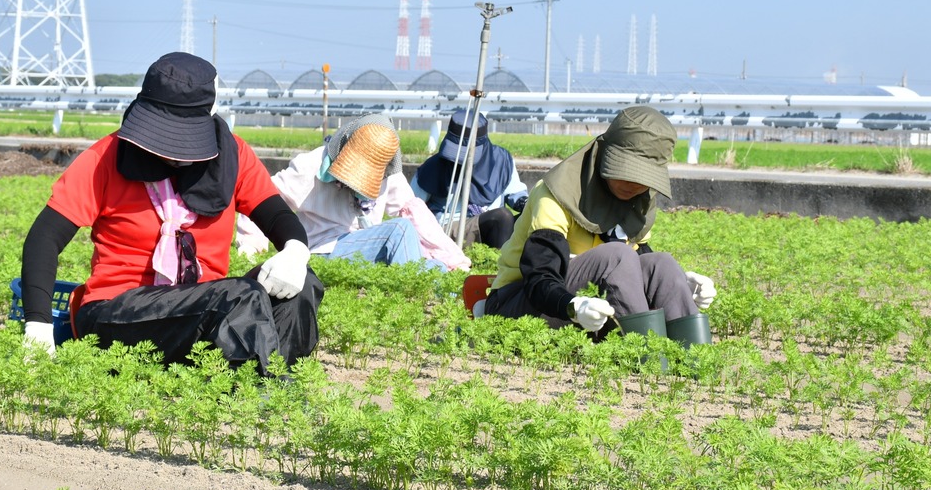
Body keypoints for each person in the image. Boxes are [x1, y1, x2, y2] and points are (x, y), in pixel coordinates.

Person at [20, 52, 324, 373]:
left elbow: (277, 217)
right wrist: (37, 326)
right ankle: (261, 387)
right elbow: (44, 238)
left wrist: (295, 251)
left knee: (300, 285)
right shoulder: (104, 158)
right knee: (238, 298)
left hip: (200, 311)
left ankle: (275, 381)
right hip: (116, 314)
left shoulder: (234, 157)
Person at [482, 105, 716, 335]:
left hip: (592, 306)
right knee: (617, 256)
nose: (634, 184)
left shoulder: (639, 201)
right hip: (522, 302)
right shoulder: (555, 194)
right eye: (626, 172)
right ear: (604, 155)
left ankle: (691, 353)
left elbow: (642, 265)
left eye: (644, 177)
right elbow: (540, 277)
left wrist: (680, 283)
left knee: (662, 265)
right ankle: (647, 353)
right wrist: (573, 307)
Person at [237, 113, 470, 271]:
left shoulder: (388, 172)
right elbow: (263, 197)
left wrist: (453, 259)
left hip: (367, 249)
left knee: (437, 268)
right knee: (398, 230)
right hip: (321, 251)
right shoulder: (310, 166)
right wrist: (250, 245)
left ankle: (444, 313)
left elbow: (416, 215)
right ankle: (410, 294)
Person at [410, 108, 528, 249]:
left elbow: (516, 194)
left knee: (534, 218)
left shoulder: (501, 160)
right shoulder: (433, 167)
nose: (459, 159)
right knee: (503, 216)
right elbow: (410, 206)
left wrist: (527, 205)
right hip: (451, 229)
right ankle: (499, 261)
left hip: (494, 225)